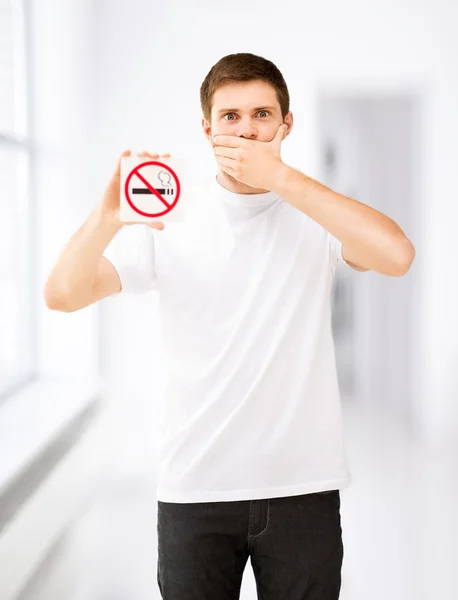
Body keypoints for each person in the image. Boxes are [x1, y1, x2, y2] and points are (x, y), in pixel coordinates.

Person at [44, 52, 415, 599]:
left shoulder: (318, 217)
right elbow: (63, 294)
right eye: (231, 116)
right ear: (207, 127)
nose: (246, 130)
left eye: (262, 115)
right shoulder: (169, 215)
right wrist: (105, 217)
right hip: (194, 490)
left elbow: (397, 255)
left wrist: (281, 178)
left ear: (286, 125)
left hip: (302, 489)